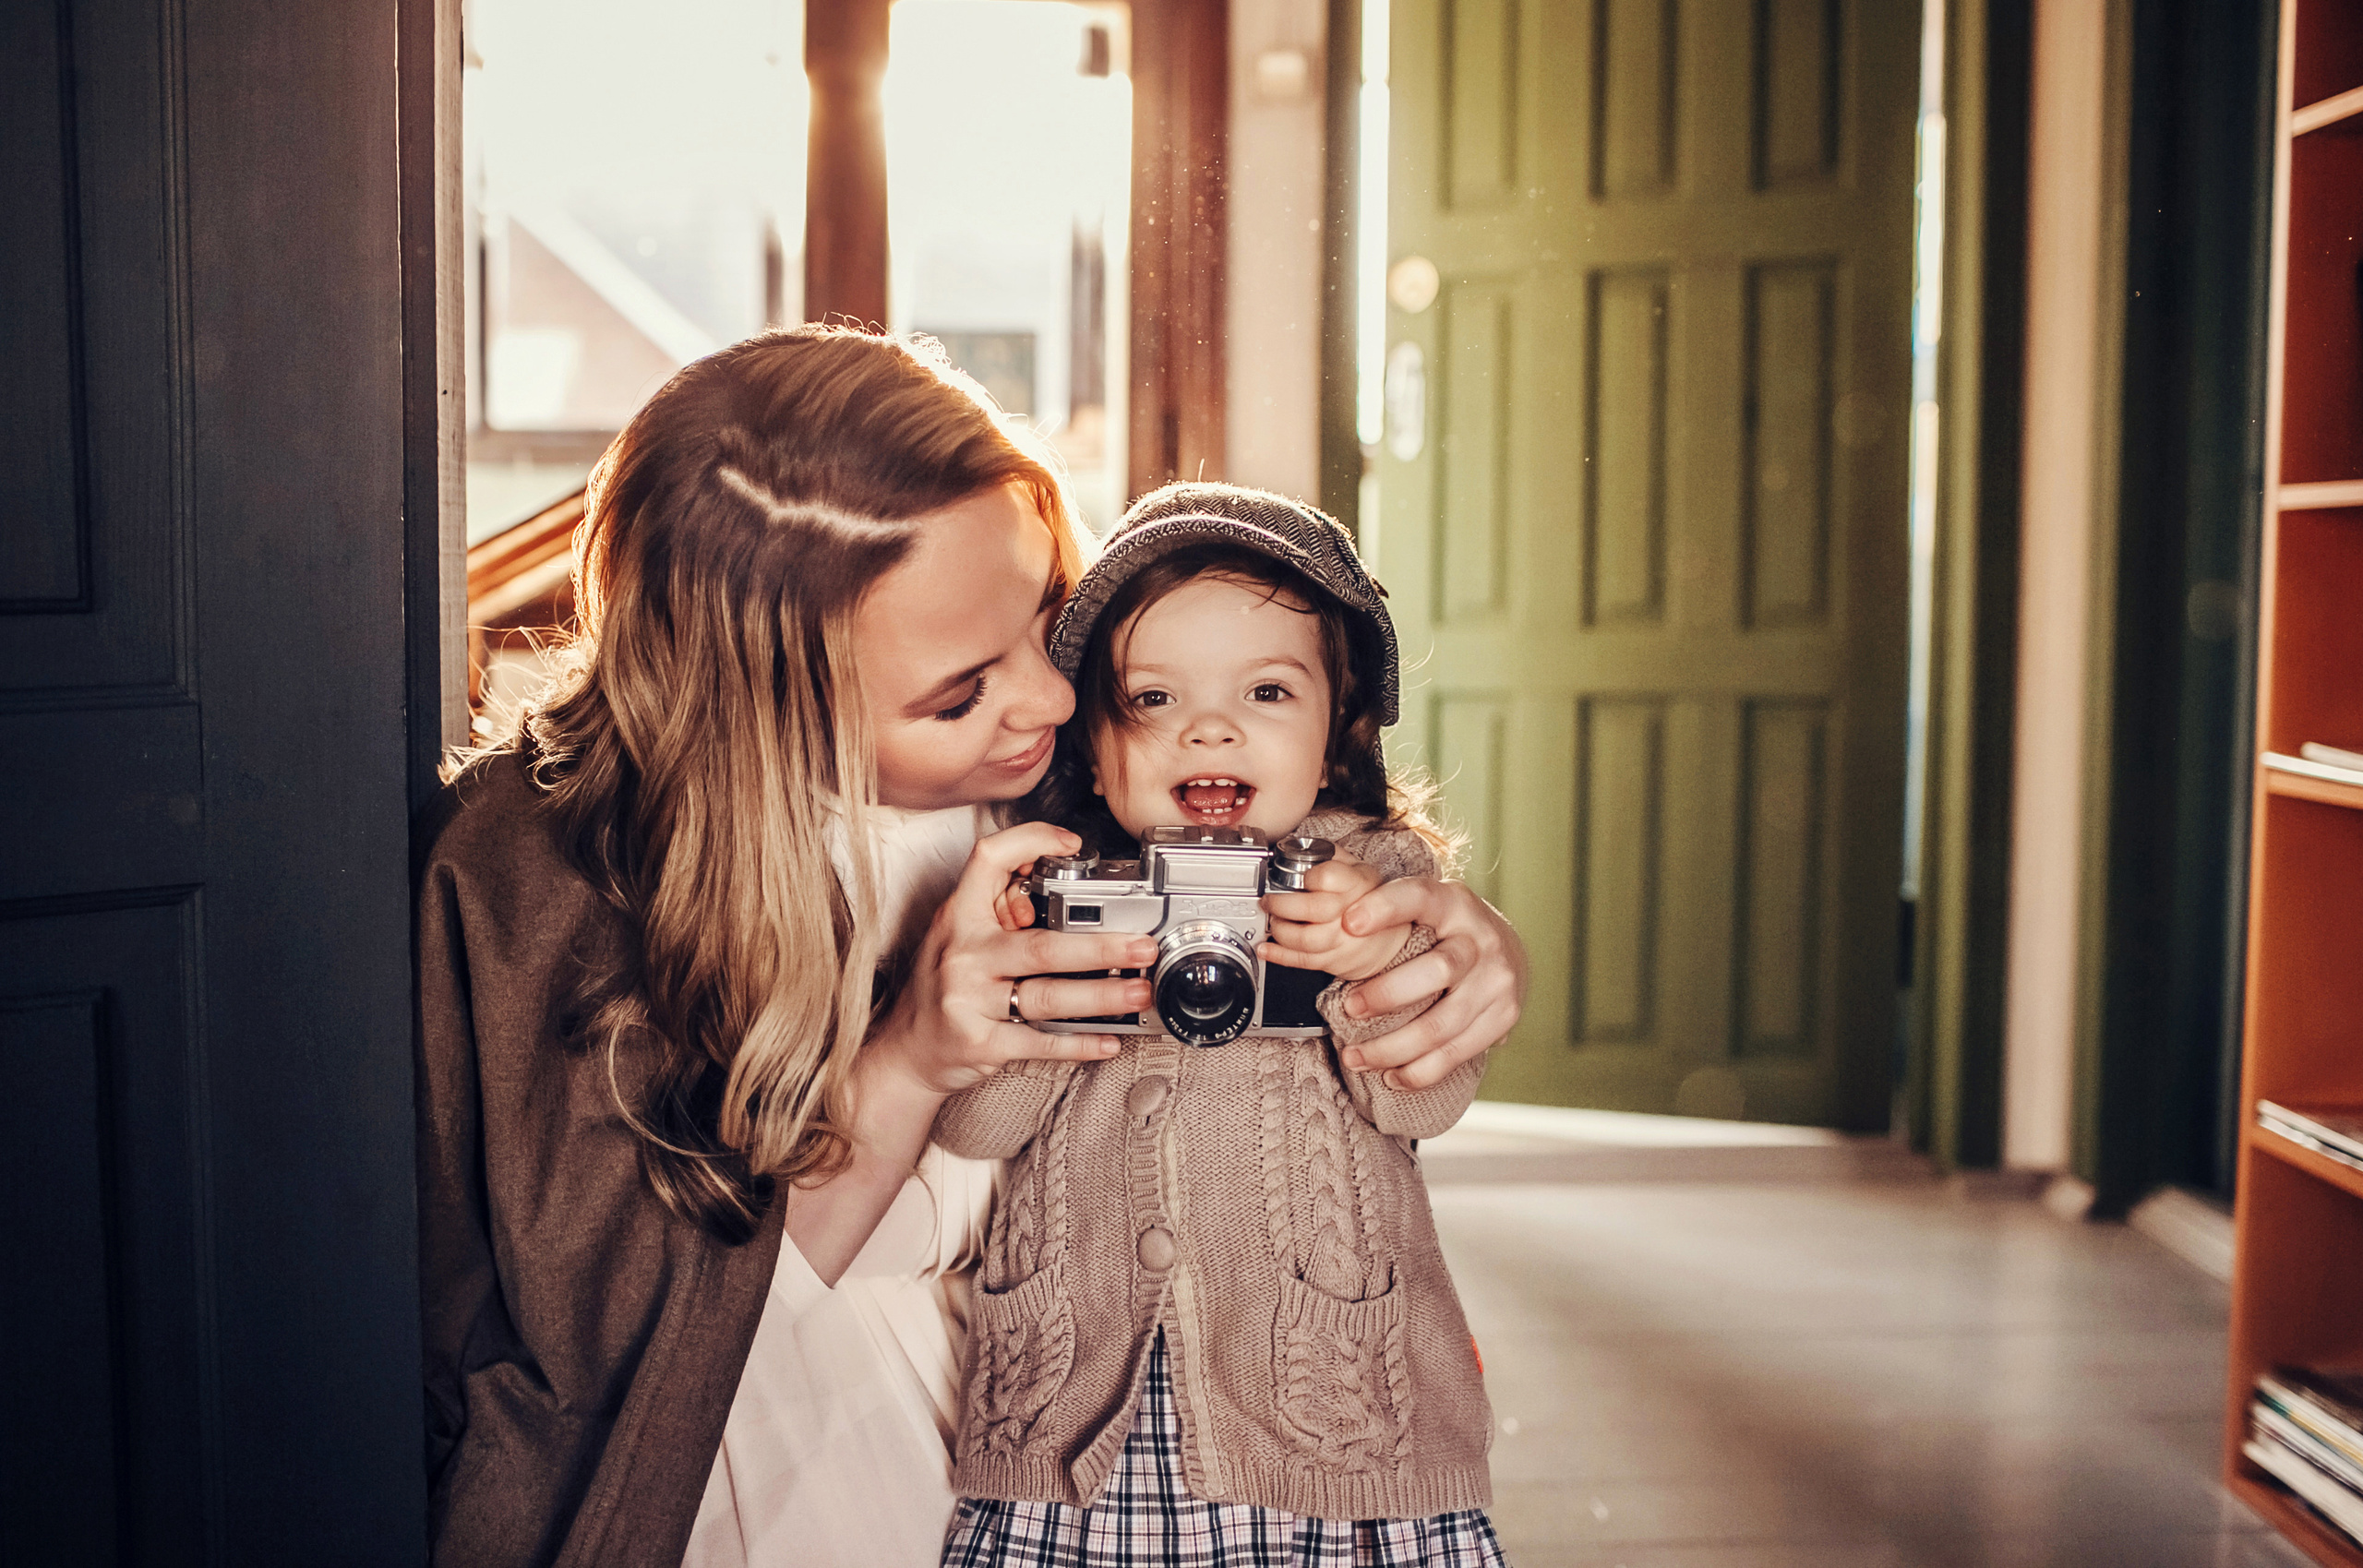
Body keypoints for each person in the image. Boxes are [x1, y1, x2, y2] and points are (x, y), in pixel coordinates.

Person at [414, 329, 1527, 1568]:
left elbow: (1341, 855)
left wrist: (1458, 948)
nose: (1055, 704)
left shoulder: (1105, 756)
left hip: (1126, 1431)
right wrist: (911, 1058)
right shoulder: (554, 876)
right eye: (960, 693)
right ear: (774, 716)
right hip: (801, 1455)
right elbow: (646, 1347)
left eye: (1049, 609)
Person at [934, 484, 1506, 1567]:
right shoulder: (1062, 889)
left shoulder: (1371, 878)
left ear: (1337, 739)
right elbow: (972, 1128)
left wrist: (1366, 961)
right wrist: (1020, 985)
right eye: (1151, 699)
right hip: (1071, 1435)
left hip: (1335, 1428)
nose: (1209, 726)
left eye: (1266, 690)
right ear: (1093, 750)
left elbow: (1424, 1093)